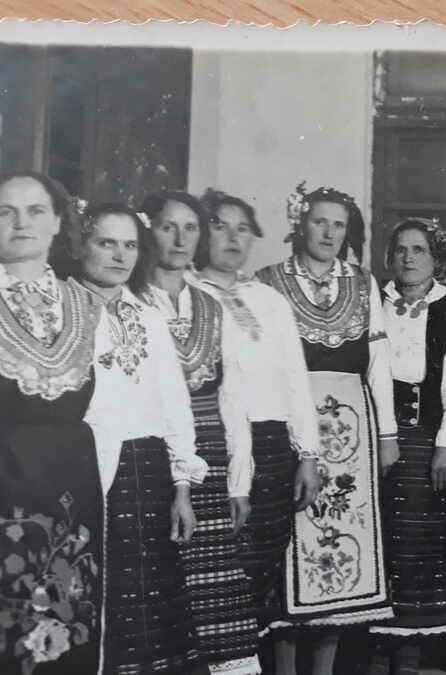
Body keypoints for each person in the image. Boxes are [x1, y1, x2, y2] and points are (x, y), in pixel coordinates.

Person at [256, 183, 396, 674]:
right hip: (292, 428)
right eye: (320, 221)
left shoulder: (363, 282)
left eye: (338, 224)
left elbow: (379, 363)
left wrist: (388, 435)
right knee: (290, 545)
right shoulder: (268, 281)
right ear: (301, 224)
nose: (328, 232)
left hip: (353, 431)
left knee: (340, 543)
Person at [66, 201, 209, 673]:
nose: (119, 255)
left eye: (129, 244)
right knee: (88, 594)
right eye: (106, 242)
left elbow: (174, 403)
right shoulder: (62, 308)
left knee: (151, 604)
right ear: (79, 244)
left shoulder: (147, 316)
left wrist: (183, 485)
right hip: (83, 469)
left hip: (147, 473)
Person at [140, 190, 263, 675]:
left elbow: (233, 395)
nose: (179, 238)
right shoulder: (132, 300)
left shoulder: (210, 305)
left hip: (210, 452)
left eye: (190, 228)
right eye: (169, 226)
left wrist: (239, 479)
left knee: (217, 587)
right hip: (152, 457)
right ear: (150, 229)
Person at [192, 189, 322, 644]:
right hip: (209, 443)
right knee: (214, 568)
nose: (232, 237)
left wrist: (307, 452)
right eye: (219, 226)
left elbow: (295, 377)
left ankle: (249, 660)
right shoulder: (186, 293)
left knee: (262, 562)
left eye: (242, 228)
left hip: (271, 445)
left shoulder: (269, 300)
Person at [0, 172, 107, 675]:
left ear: (59, 221)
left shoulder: (86, 303)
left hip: (74, 491)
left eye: (35, 210)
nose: (21, 223)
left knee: (71, 618)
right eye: (6, 212)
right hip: (4, 489)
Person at [368, 218, 446, 675]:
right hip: (377, 435)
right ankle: (373, 654)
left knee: (419, 542)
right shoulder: (376, 301)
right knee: (378, 539)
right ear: (390, 257)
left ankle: (411, 658)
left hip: (426, 435)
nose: (409, 258)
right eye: (402, 250)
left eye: (420, 250)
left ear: (436, 259)